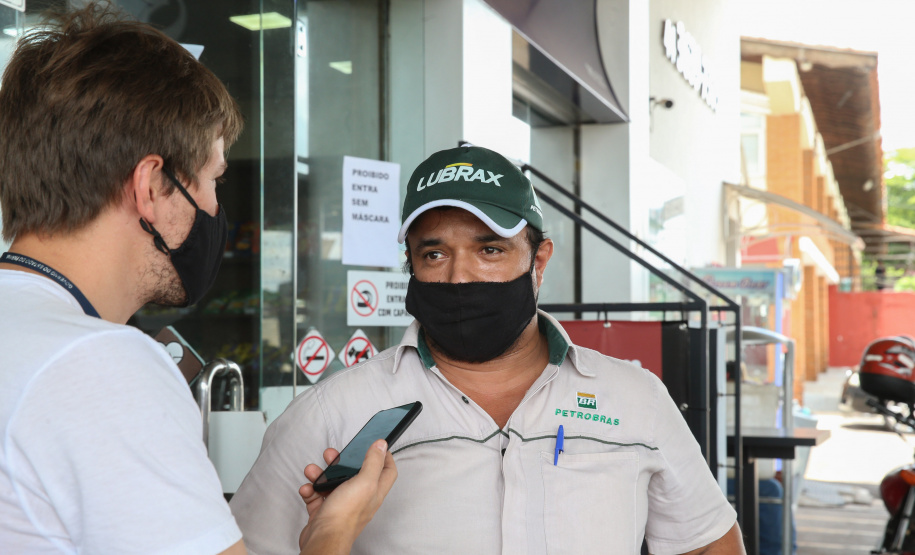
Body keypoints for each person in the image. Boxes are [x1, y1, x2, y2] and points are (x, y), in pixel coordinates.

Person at [0, 3, 394, 554]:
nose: (213, 207)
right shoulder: (100, 366)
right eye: (212, 179)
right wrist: (334, 530)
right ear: (150, 186)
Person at [231, 145, 747, 554]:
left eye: (490, 249)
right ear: (410, 264)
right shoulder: (331, 415)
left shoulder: (635, 398)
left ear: (538, 261)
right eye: (434, 254)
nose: (460, 276)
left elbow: (707, 544)